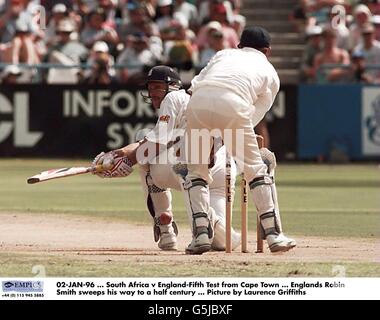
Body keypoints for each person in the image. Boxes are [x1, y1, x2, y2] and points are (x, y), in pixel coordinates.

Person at [92, 65, 241, 253]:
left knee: (148, 161)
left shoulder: (173, 98)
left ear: (172, 86)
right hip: (224, 168)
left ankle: (166, 229)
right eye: (150, 87)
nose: (152, 92)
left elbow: (155, 143)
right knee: (223, 243)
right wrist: (117, 154)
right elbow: (149, 140)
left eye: (156, 87)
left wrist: (129, 161)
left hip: (193, 167)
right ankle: (219, 229)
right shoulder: (190, 102)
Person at [181, 26, 297, 254]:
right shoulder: (270, 72)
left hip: (197, 102)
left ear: (239, 45)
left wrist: (210, 135)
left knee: (196, 173)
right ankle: (273, 235)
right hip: (234, 103)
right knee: (254, 169)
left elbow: (194, 87)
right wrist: (226, 136)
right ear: (268, 51)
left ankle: (201, 235)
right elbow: (255, 115)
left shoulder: (224, 54)